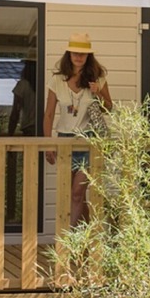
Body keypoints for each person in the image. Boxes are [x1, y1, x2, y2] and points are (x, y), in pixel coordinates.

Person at [42, 32, 112, 226]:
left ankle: (71, 244)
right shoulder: (57, 80)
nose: (78, 57)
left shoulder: (97, 79)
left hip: (88, 141)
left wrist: (97, 93)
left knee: (77, 193)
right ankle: (84, 244)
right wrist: (48, 144)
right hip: (64, 139)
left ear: (89, 56)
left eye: (83, 53)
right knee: (73, 196)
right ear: (69, 54)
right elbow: (48, 115)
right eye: (75, 53)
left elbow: (109, 108)